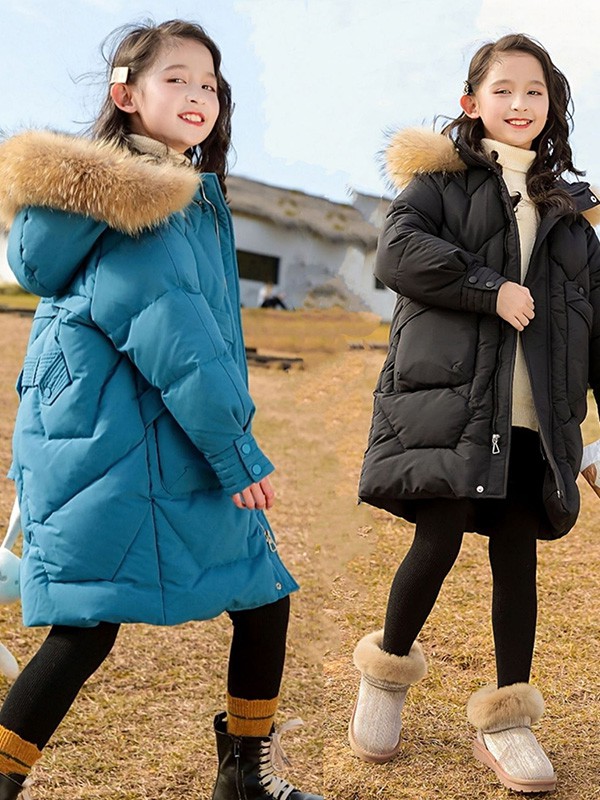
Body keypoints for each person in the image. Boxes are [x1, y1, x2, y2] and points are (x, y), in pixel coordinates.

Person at [0, 19, 321, 800]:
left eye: (209, 82)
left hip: (134, 434)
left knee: (258, 596)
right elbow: (179, 342)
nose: (199, 94)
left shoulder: (167, 189)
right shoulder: (137, 200)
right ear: (126, 95)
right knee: (87, 626)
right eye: (176, 78)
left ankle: (244, 777)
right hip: (120, 442)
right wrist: (236, 455)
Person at [349, 33, 600, 794]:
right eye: (503, 90)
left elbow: (596, 326)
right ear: (472, 102)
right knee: (439, 536)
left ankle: (508, 719)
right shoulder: (439, 183)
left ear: (552, 105)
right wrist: (490, 288)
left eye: (534, 91)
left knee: (517, 556)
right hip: (457, 407)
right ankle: (385, 676)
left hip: (535, 418)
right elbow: (397, 253)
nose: (519, 103)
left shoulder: (571, 214)